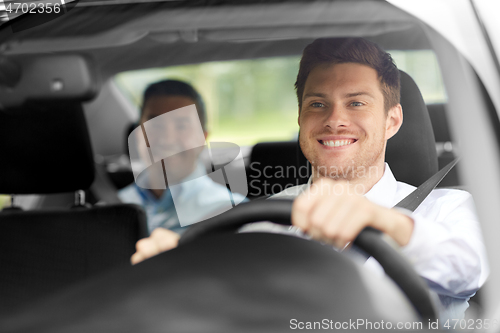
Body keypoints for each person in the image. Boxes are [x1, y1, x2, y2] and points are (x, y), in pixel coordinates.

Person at [129, 39, 488, 319]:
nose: (334, 119)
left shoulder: (448, 208)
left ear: (392, 121)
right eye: (317, 104)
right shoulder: (262, 220)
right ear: (301, 119)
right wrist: (171, 271)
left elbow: (467, 268)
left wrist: (383, 221)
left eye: (356, 103)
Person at [119, 79, 247, 235]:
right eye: (155, 124)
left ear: (202, 138)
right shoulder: (109, 207)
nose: (167, 139)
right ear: (138, 133)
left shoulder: (232, 211)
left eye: (181, 126)